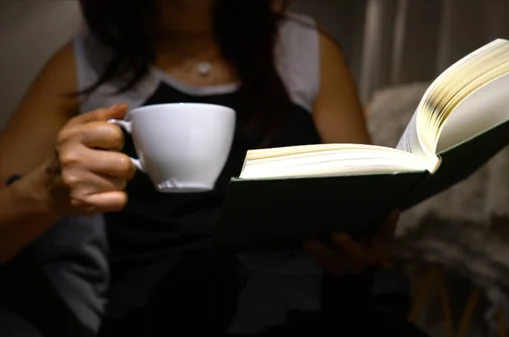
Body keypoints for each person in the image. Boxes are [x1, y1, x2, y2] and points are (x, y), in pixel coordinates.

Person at [0, 0, 427, 336]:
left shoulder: (306, 50)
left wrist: (365, 242)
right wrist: (43, 194)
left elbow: (365, 195)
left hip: (311, 305)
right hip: (155, 312)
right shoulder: (84, 63)